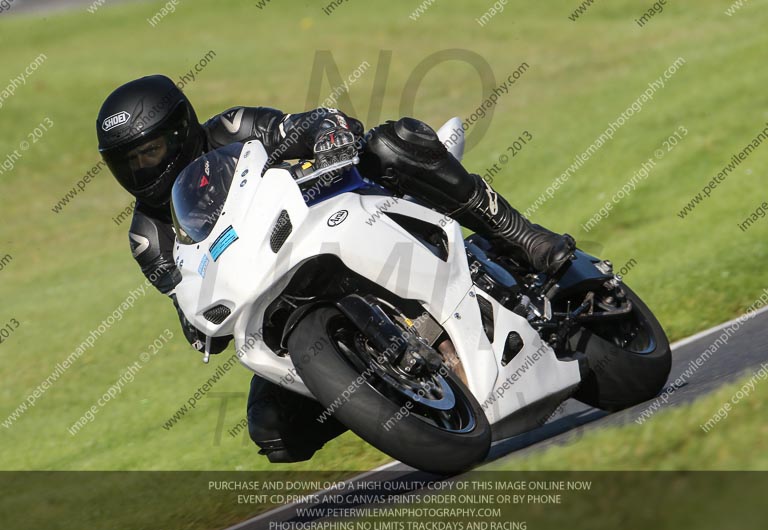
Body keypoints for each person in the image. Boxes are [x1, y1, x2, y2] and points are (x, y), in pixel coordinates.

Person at [96, 74, 576, 463]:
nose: (143, 170)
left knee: (393, 143)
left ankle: (520, 235)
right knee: (274, 431)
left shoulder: (232, 128)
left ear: (180, 131)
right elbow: (187, 300)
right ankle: (381, 391)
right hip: (276, 290)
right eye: (130, 163)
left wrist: (327, 133)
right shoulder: (147, 235)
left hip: (339, 211)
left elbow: (307, 125)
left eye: (150, 152)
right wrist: (198, 324)